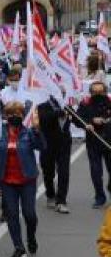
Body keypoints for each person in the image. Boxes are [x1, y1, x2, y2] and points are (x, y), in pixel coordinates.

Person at [0, 101, 45, 257]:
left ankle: (31, 236)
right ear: (5, 116)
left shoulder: (28, 132)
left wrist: (37, 130)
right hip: (7, 181)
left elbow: (42, 146)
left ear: (23, 116)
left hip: (27, 179)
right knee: (12, 215)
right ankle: (19, 247)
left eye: (17, 114)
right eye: (10, 114)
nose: (14, 117)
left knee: (30, 215)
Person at [77, 81, 111, 209]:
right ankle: (99, 197)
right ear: (91, 93)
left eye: (100, 92)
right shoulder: (86, 103)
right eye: (95, 92)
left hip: (109, 141)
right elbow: (77, 118)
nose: (98, 94)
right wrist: (89, 122)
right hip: (93, 142)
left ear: (105, 91)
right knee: (96, 172)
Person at [37, 96, 72, 214]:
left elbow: (76, 117)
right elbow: (43, 119)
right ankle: (50, 194)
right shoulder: (42, 103)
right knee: (48, 171)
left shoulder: (66, 102)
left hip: (64, 143)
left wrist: (86, 124)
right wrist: (57, 112)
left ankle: (61, 201)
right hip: (48, 143)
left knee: (64, 172)